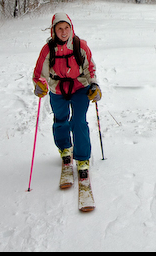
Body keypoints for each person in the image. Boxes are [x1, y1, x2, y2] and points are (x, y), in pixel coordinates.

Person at [33, 13, 102, 182]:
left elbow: (90, 68)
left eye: (66, 28)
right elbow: (39, 73)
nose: (64, 32)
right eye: (59, 29)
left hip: (80, 87)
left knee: (78, 121)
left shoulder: (80, 45)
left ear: (71, 28)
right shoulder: (48, 50)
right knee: (60, 120)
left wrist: (94, 84)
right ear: (54, 31)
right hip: (57, 89)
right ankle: (65, 149)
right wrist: (40, 85)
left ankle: (83, 158)